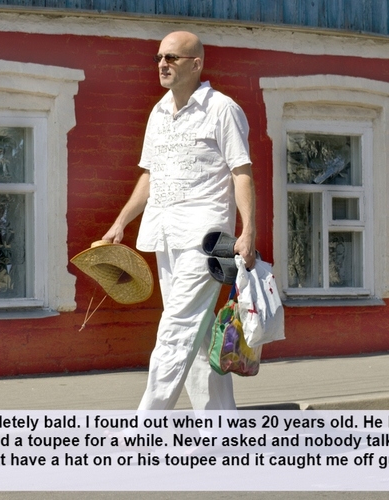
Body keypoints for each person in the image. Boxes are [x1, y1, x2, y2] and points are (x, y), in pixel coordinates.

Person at [102, 31, 257, 411]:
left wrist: (248, 229)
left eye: (171, 57)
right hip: (166, 234)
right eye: (159, 57)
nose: (162, 64)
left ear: (196, 63)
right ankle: (223, 425)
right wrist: (121, 222)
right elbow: (149, 176)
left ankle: (146, 424)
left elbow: (242, 173)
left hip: (209, 240)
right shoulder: (158, 112)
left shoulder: (223, 110)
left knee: (175, 331)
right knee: (198, 336)